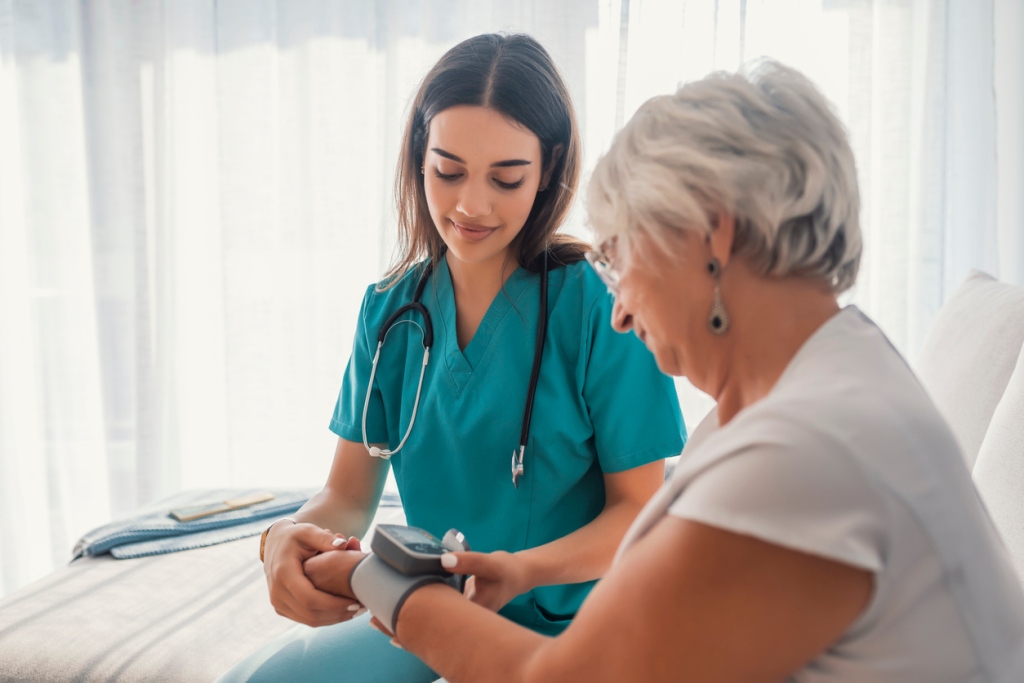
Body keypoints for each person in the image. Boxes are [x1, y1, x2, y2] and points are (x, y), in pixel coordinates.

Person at [299, 60, 1024, 681]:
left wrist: (377, 579)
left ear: (714, 233)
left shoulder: (805, 453)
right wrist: (516, 572)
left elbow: (558, 676)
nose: (616, 310)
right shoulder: (834, 373)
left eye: (621, 256)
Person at [217, 33, 686, 683]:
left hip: (580, 627)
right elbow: (349, 496)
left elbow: (640, 512)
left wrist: (522, 570)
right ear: (419, 157)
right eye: (449, 169)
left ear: (548, 169)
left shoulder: (600, 303)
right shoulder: (390, 311)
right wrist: (280, 542)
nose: (471, 205)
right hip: (431, 614)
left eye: (506, 178)